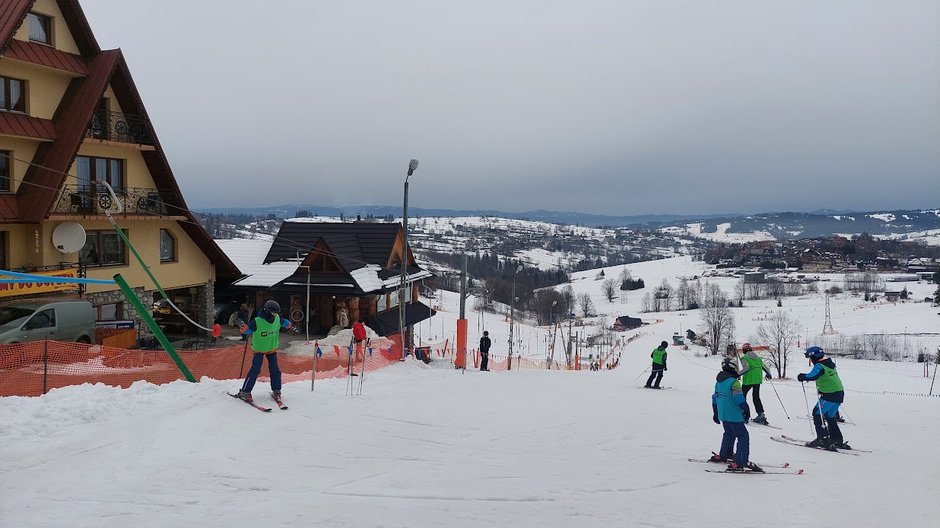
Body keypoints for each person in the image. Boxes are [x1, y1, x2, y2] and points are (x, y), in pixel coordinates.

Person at [235, 300, 296, 404]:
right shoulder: (257, 321)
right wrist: (243, 328)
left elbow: (285, 323)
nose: (275, 315)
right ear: (267, 311)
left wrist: (290, 325)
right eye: (273, 313)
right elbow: (248, 330)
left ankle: (277, 391)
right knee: (255, 370)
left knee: (275, 370)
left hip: (271, 349)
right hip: (259, 350)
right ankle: (245, 392)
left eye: (276, 313)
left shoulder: (277, 319)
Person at [709, 357, 762, 472]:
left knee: (728, 433)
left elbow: (714, 398)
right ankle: (740, 462)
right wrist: (746, 410)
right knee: (743, 436)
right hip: (734, 416)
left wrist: (716, 413)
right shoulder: (734, 383)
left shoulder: (719, 382)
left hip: (724, 415)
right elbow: (738, 399)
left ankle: (725, 454)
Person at [798, 346, 849, 450]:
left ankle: (823, 439)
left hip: (829, 395)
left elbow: (813, 375)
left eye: (810, 358)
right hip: (839, 394)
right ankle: (836, 439)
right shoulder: (829, 364)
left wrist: (802, 376)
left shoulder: (820, 365)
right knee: (830, 417)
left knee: (817, 414)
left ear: (814, 357)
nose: (811, 361)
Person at [738, 342, 773, 424]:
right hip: (757, 380)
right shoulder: (758, 358)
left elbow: (746, 368)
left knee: (742, 397)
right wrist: (769, 374)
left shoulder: (744, 358)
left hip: (748, 380)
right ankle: (761, 415)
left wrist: (737, 374)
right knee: (756, 397)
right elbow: (765, 367)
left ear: (744, 350)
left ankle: (744, 415)